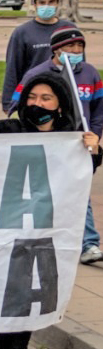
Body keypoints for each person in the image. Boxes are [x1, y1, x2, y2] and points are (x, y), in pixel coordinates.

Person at [0, 74, 100, 349]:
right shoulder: (8, 131)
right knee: (15, 294)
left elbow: (85, 172)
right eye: (32, 97)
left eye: (46, 98)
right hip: (11, 229)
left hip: (49, 232)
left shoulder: (70, 139)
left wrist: (94, 150)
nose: (37, 104)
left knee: (34, 295)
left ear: (60, 105)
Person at [11, 24, 103, 264]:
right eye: (69, 46)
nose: (75, 49)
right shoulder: (38, 74)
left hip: (76, 144)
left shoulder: (90, 73)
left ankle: (89, 243)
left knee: (79, 192)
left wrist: (94, 136)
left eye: (79, 45)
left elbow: (98, 110)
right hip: (45, 142)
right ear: (56, 50)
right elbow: (16, 105)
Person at [2, 0, 74, 113]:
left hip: (64, 94)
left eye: (51, 2)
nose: (46, 6)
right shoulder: (22, 32)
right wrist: (8, 102)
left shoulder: (69, 29)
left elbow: (80, 64)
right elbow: (13, 68)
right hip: (34, 96)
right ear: (35, 5)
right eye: (42, 2)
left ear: (57, 3)